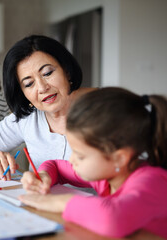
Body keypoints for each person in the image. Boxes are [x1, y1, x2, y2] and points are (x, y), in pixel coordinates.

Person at [19, 87, 167, 238]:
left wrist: (60, 202)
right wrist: (44, 175)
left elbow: (112, 219)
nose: (71, 159)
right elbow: (56, 166)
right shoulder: (109, 174)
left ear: (119, 158)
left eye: (80, 156)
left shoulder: (153, 183)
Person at [0, 35, 94, 180]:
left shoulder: (107, 107)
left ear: (67, 70)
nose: (42, 88)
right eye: (29, 84)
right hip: (37, 202)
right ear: (22, 92)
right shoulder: (28, 118)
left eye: (47, 73)